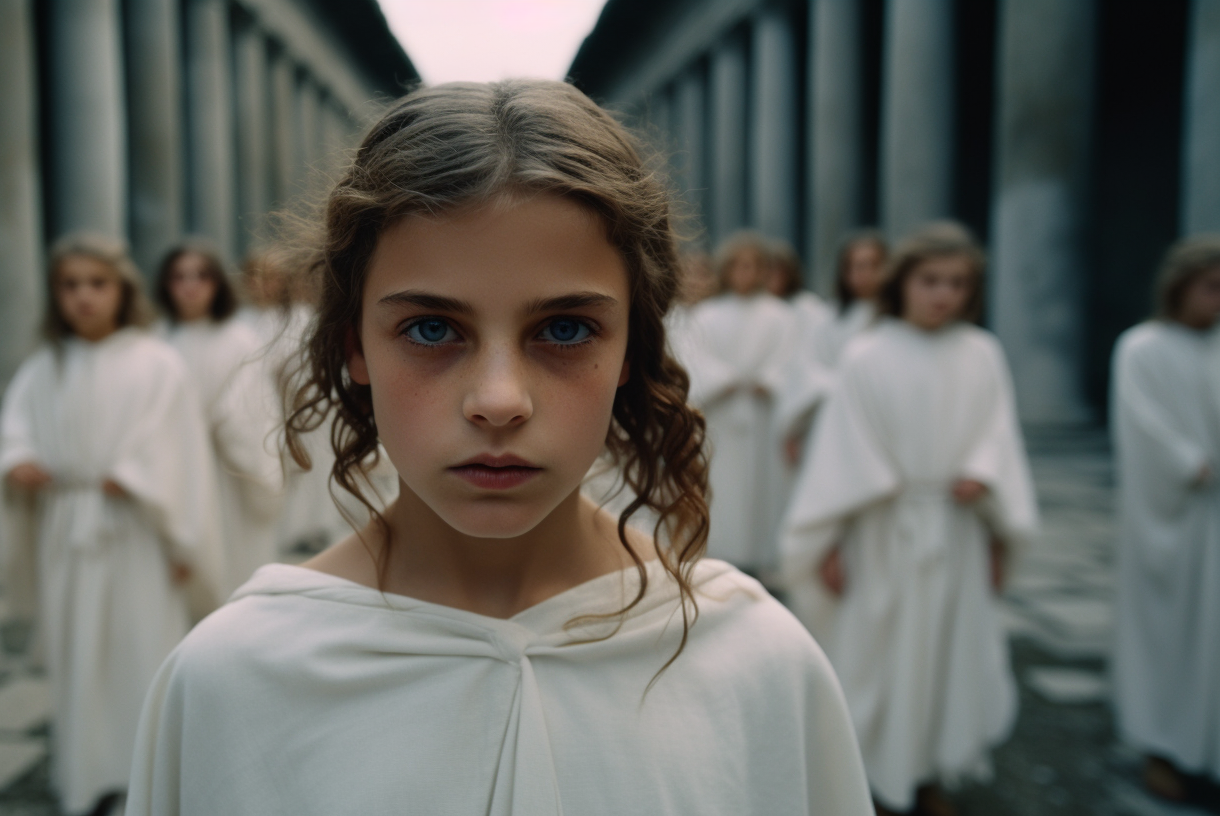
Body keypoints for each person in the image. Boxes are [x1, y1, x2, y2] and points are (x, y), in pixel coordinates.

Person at [125, 80, 872, 816]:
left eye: (565, 329)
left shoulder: (756, 665)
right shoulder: (230, 681)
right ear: (355, 346)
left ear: (633, 350)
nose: (499, 401)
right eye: (430, 329)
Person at [780, 222, 1038, 816]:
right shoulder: (867, 354)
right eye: (930, 280)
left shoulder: (982, 352)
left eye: (957, 283)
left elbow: (998, 434)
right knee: (877, 651)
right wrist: (832, 543)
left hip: (958, 527)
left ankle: (926, 772)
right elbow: (843, 452)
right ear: (904, 284)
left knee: (946, 654)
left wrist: (989, 491)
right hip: (881, 531)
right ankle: (867, 771)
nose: (942, 294)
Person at [0, 233, 224, 816]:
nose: (83, 297)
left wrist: (175, 531)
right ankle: (85, 774)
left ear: (122, 290)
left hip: (137, 532)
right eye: (69, 286)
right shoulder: (45, 365)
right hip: (67, 526)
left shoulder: (155, 362)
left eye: (96, 284)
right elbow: (16, 427)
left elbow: (178, 452)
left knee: (139, 645)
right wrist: (16, 460)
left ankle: (145, 773)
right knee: (78, 652)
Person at [1110, 235, 1220, 804]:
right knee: (1168, 632)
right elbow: (1142, 425)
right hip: (1174, 519)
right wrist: (1189, 462)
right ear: (1180, 286)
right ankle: (1161, 745)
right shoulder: (1142, 348)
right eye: (1211, 287)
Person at [155, 239, 283, 590]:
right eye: (179, 276)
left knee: (232, 568)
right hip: (169, 469)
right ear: (166, 285)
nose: (190, 285)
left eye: (201, 276)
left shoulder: (240, 339)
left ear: (217, 283)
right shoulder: (156, 341)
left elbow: (253, 411)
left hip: (228, 474)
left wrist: (217, 429)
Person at [683, 231, 798, 575]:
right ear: (727, 269)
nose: (746, 273)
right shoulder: (706, 315)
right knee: (722, 490)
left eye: (754, 265)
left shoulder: (781, 315)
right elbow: (693, 360)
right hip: (720, 417)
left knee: (766, 492)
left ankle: (765, 561)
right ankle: (719, 556)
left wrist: (772, 380)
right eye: (738, 265)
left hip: (767, 420)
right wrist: (724, 379)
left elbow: (794, 363)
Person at [776, 230, 887, 463]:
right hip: (834, 424)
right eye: (854, 266)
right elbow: (806, 369)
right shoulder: (829, 319)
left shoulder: (896, 320)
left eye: (871, 265)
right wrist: (795, 430)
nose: (862, 274)